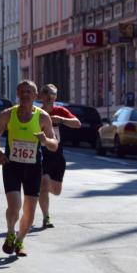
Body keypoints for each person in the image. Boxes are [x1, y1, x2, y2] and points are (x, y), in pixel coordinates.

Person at [0, 80, 59, 257]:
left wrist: (45, 141)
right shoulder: (7, 115)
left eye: (30, 92)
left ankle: (20, 241)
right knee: (14, 206)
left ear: (36, 96)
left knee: (29, 210)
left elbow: (54, 144)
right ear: (17, 94)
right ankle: (11, 232)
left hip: (33, 169)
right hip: (11, 166)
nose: (26, 95)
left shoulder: (43, 117)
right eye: (23, 91)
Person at [37, 83, 81, 229]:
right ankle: (46, 217)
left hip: (57, 154)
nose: (50, 97)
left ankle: (44, 187)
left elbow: (77, 124)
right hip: (42, 153)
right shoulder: (36, 113)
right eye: (47, 94)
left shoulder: (59, 111)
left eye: (53, 94)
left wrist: (61, 120)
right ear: (41, 96)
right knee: (43, 183)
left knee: (56, 191)